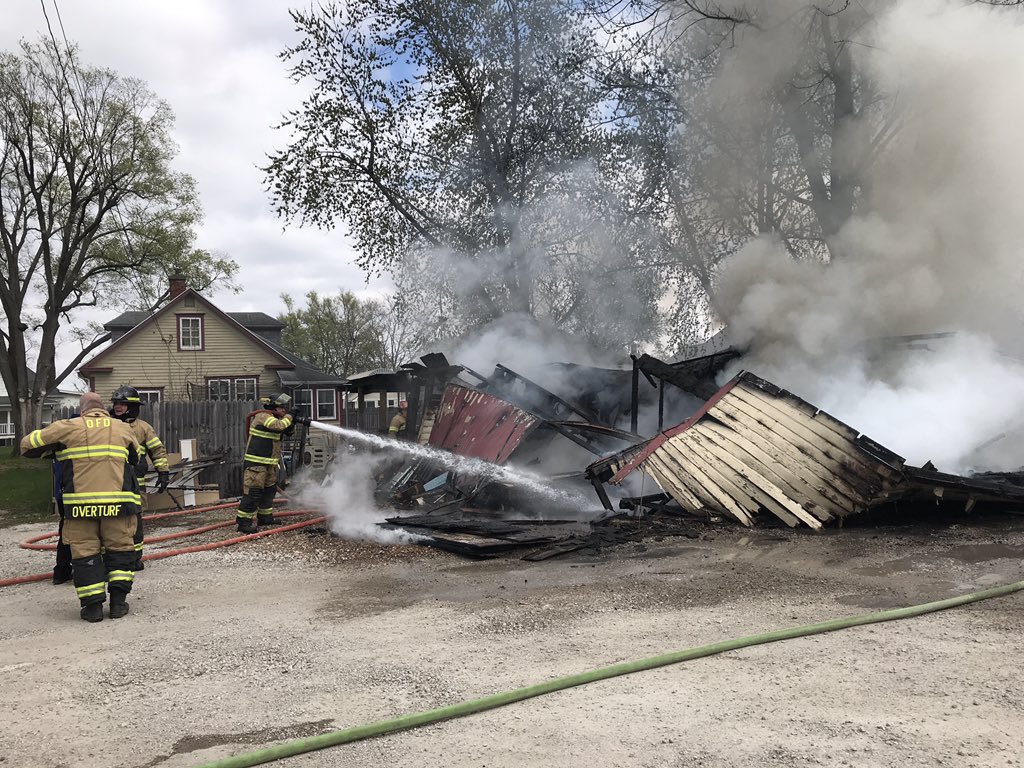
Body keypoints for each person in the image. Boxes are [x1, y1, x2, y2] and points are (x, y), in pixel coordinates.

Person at [20, 391, 141, 622]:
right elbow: (136, 458)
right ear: (103, 408)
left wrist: (56, 448)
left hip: (80, 508)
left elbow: (27, 446)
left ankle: (93, 608)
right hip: (118, 505)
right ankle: (118, 604)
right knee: (121, 550)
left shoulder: (66, 427)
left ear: (82, 409)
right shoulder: (123, 428)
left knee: (85, 553)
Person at [110, 386, 170, 571]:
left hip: (136, 483)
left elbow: (157, 450)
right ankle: (113, 557)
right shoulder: (107, 424)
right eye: (116, 403)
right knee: (111, 521)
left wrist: (163, 472)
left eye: (123, 404)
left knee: (135, 521)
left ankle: (135, 558)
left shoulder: (143, 428)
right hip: (111, 481)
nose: (118, 407)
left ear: (132, 407)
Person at [236, 392, 309, 534]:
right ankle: (243, 523)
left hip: (269, 464)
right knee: (253, 493)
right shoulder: (263, 416)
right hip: (256, 464)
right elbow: (279, 426)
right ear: (273, 407)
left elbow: (288, 431)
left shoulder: (276, 418)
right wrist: (290, 416)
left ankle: (265, 517)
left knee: (269, 492)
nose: (284, 410)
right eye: (281, 408)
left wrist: (292, 422)